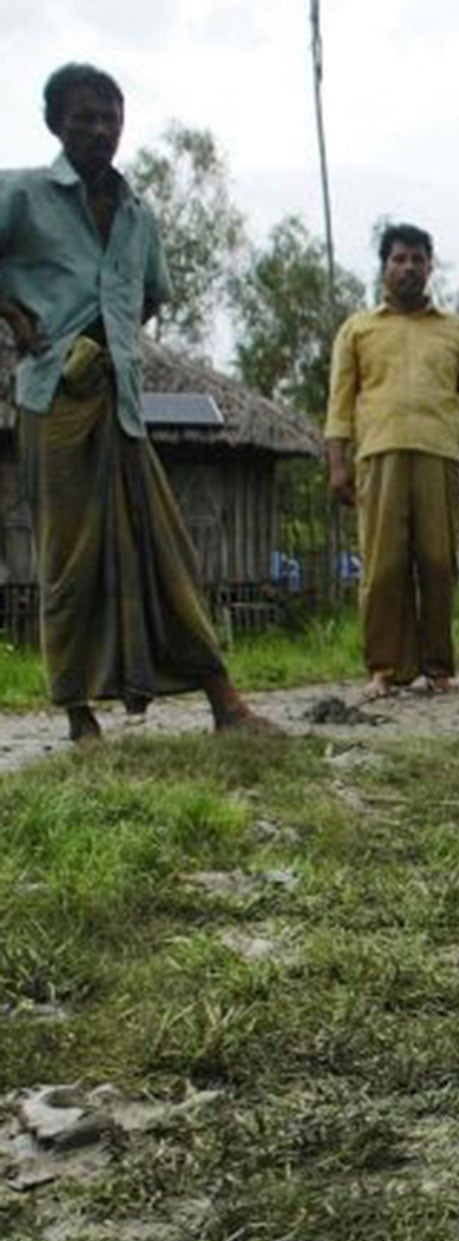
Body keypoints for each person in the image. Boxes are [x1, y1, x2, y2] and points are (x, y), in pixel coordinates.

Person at [0, 63, 272, 743]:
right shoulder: (24, 194)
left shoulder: (135, 214)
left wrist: (116, 337)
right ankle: (78, 714)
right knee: (67, 556)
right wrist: (17, 318)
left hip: (122, 401)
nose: (99, 129)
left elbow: (150, 292)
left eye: (110, 117)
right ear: (54, 124)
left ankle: (224, 702)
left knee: (162, 545)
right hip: (56, 398)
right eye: (84, 116)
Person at [326, 222, 459, 701]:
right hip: (378, 455)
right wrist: (337, 462)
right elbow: (340, 402)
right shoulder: (358, 329)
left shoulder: (455, 330)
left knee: (438, 563)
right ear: (384, 267)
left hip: (440, 454)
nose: (409, 267)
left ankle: (440, 667)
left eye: (418, 259)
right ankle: (383, 668)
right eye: (399, 259)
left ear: (430, 267)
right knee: (383, 565)